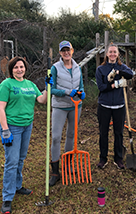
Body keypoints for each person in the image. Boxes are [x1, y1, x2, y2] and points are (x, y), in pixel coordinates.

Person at [0, 56, 53, 214]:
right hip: (12, 127)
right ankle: (7, 197)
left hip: (27, 125)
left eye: (21, 67)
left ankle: (17, 186)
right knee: (11, 161)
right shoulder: (6, 84)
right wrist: (5, 130)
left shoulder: (30, 85)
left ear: (25, 69)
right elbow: (0, 108)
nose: (19, 69)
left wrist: (48, 88)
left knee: (20, 158)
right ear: (11, 70)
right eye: (16, 67)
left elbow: (41, 100)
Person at [49, 40, 85, 186]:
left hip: (76, 106)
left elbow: (81, 85)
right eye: (63, 50)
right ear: (60, 53)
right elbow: (52, 89)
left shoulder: (77, 67)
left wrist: (82, 94)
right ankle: (55, 171)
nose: (66, 52)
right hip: (60, 106)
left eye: (68, 50)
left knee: (71, 135)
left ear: (72, 50)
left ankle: (68, 165)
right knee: (56, 137)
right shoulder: (55, 68)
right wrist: (67, 92)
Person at [95, 43, 133, 169]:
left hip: (119, 106)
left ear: (118, 54)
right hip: (104, 105)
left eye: (114, 52)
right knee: (103, 132)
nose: (112, 54)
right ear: (106, 54)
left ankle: (118, 158)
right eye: (110, 52)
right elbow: (101, 87)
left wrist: (118, 71)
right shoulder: (100, 69)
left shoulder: (123, 67)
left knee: (119, 133)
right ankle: (103, 158)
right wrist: (116, 85)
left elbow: (131, 75)